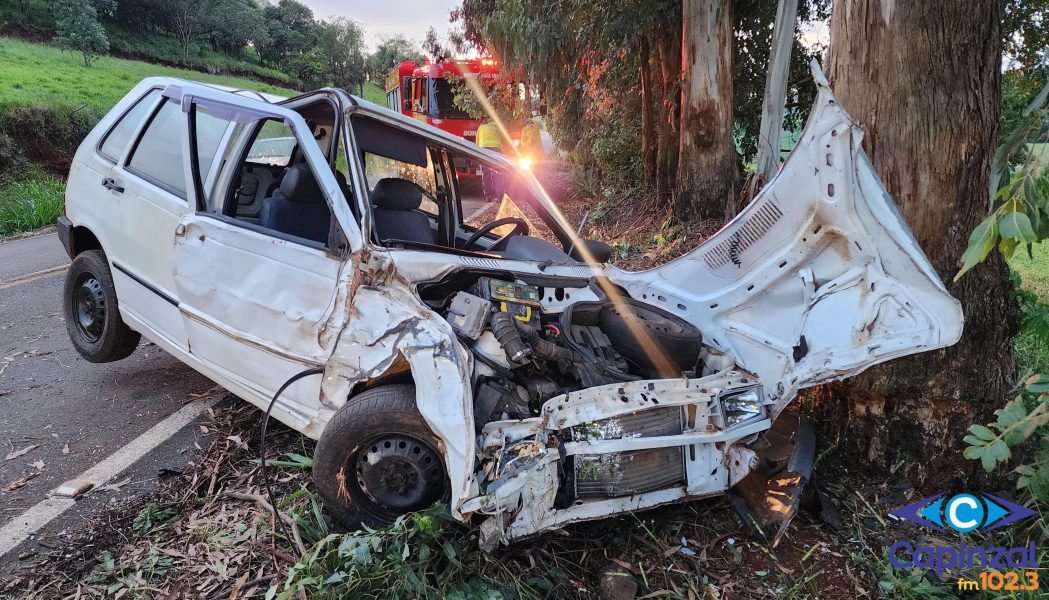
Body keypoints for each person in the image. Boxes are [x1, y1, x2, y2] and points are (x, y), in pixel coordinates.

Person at [477, 120, 505, 202]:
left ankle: (488, 196)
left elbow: (477, 142)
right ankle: (500, 197)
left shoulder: (480, 128)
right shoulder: (496, 127)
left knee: (486, 174)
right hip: (496, 150)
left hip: (484, 151)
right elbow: (501, 140)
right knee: (497, 174)